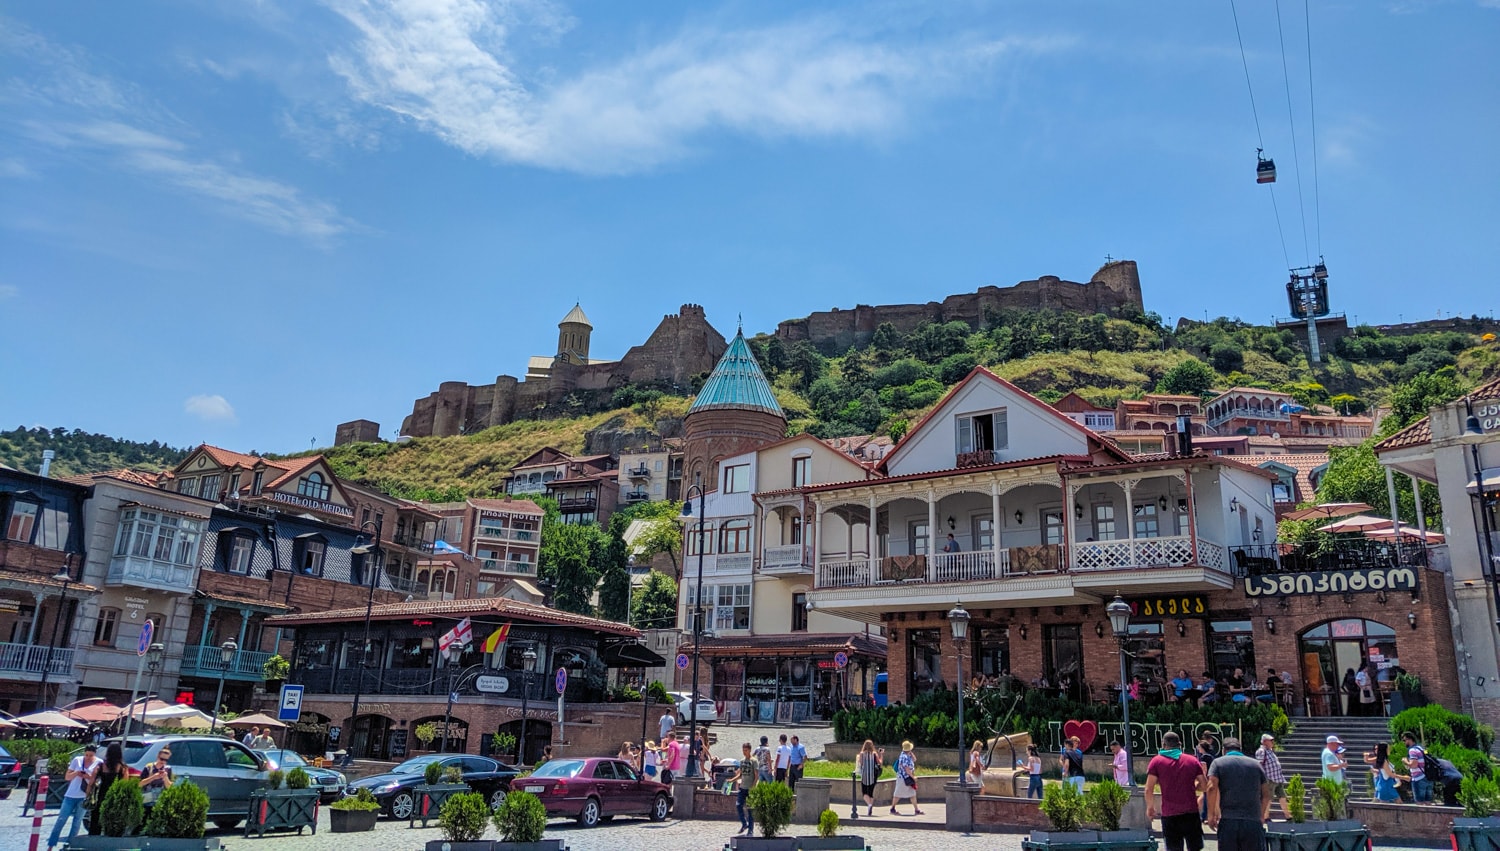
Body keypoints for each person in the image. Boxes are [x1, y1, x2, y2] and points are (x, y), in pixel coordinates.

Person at [1206, 737, 1271, 851]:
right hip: (1252, 821)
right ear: (1240, 749)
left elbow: (1211, 788)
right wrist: (1261, 815)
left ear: (1224, 750)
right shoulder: (1256, 765)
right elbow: (1266, 794)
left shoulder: (1218, 763)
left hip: (1228, 820)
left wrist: (1211, 815)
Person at [1146, 732, 1206, 851]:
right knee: (1195, 848)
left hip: (1170, 814)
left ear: (1163, 744)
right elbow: (1204, 786)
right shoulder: (1192, 761)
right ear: (1180, 745)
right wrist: (1192, 786)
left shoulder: (1156, 761)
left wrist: (1150, 808)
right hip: (1191, 813)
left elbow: (1149, 788)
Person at [47, 742, 101, 851]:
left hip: (84, 796)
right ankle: (51, 845)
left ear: (95, 754)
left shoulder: (99, 763)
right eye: (86, 755)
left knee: (77, 822)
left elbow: (97, 781)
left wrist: (87, 776)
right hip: (70, 795)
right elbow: (67, 777)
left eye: (91, 755)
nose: (88, 757)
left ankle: (70, 845)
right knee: (61, 820)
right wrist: (77, 773)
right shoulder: (77, 760)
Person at [88, 742, 127, 835]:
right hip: (115, 797)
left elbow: (91, 782)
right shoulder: (122, 768)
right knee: (112, 824)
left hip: (101, 796)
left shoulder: (101, 766)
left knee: (96, 822)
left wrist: (88, 795)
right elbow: (125, 784)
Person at [1255, 733, 1290, 820]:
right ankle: (1265, 816)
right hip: (1269, 779)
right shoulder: (1261, 751)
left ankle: (1288, 816)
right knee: (1268, 798)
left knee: (1282, 797)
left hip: (1277, 778)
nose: (1272, 742)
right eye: (1270, 740)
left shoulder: (1270, 750)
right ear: (1264, 741)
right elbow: (1259, 764)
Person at [731, 743, 758, 835]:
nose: (744, 752)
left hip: (750, 788)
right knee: (738, 805)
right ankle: (744, 824)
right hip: (742, 787)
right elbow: (740, 774)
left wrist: (753, 787)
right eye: (743, 750)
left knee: (750, 810)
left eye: (746, 750)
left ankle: (751, 830)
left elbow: (756, 775)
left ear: (750, 750)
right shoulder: (742, 761)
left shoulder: (754, 761)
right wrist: (732, 780)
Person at [891, 740, 922, 815]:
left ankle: (916, 809)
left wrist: (911, 753)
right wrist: (913, 777)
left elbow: (914, 759)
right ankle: (892, 808)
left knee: (912, 794)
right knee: (897, 794)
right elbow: (907, 769)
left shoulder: (908, 755)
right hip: (903, 778)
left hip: (907, 778)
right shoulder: (904, 756)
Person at [1402, 731, 1432, 803]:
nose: (1404, 742)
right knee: (1428, 803)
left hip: (1418, 778)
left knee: (1420, 804)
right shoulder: (1421, 749)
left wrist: (1405, 761)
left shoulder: (1412, 750)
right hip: (1428, 777)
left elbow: (1413, 765)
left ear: (1409, 739)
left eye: (1404, 740)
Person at [857, 740, 883, 815]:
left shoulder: (862, 754)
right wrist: (881, 754)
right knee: (871, 793)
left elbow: (861, 763)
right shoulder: (874, 754)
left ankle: (869, 805)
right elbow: (880, 763)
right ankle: (870, 807)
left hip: (864, 775)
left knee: (864, 793)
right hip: (873, 776)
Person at [1195, 734, 1217, 821]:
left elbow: (1203, 769)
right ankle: (1205, 815)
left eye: (1199, 747)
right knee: (1205, 798)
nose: (1198, 748)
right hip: (1211, 778)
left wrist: (1202, 780)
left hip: (1207, 779)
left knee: (1206, 798)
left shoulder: (1204, 757)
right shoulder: (1210, 756)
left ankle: (1204, 816)